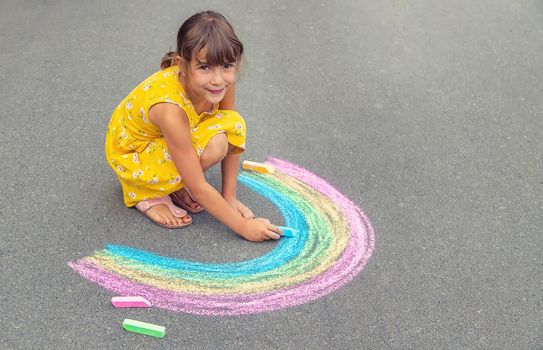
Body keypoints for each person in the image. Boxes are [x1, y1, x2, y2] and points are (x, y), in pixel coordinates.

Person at [105, 10, 282, 242]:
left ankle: (175, 182)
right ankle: (145, 194)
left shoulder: (218, 84)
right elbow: (198, 187)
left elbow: (233, 130)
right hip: (134, 155)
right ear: (182, 64)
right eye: (205, 67)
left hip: (165, 142)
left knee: (231, 126)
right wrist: (243, 228)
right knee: (205, 155)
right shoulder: (170, 110)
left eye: (227, 66)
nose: (218, 79)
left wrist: (228, 197)